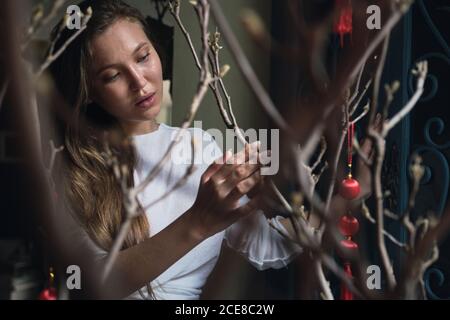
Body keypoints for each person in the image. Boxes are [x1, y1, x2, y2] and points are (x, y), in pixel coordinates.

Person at [49, 0, 370, 300]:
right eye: (113, 76)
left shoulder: (199, 147)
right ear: (89, 91)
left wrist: (347, 199)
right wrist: (199, 221)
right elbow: (88, 284)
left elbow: (265, 245)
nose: (139, 81)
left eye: (143, 57)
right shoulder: (72, 168)